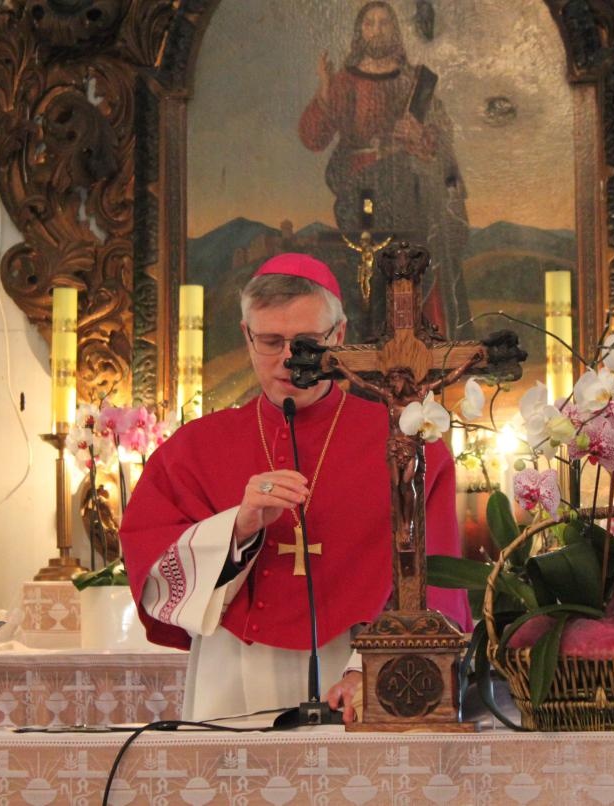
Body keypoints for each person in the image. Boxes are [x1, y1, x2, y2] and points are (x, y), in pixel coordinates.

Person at [119, 253, 470, 723]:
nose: (288, 359)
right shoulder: (194, 448)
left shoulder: (408, 443)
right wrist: (238, 528)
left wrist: (372, 670)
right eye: (270, 341)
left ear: (338, 336)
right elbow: (151, 567)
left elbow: (438, 580)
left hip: (359, 669)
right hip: (233, 669)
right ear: (246, 335)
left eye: (305, 342)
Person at [298, 1, 471, 340]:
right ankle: (369, 343)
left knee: (412, 269)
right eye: (369, 23)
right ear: (360, 32)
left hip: (410, 191)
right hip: (360, 195)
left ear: (394, 30)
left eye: (383, 23)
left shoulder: (416, 81)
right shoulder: (344, 82)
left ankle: (412, 344)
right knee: (369, 274)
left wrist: (420, 136)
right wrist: (324, 89)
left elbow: (442, 138)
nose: (376, 30)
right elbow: (314, 138)